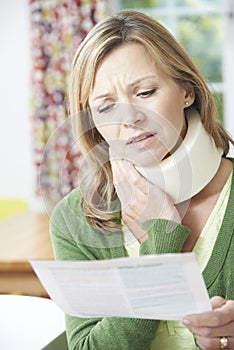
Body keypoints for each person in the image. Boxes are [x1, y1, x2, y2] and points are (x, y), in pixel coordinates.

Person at [50, 10, 234, 350]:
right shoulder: (73, 220)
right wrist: (157, 251)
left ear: (187, 91)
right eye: (106, 107)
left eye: (146, 92)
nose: (130, 117)